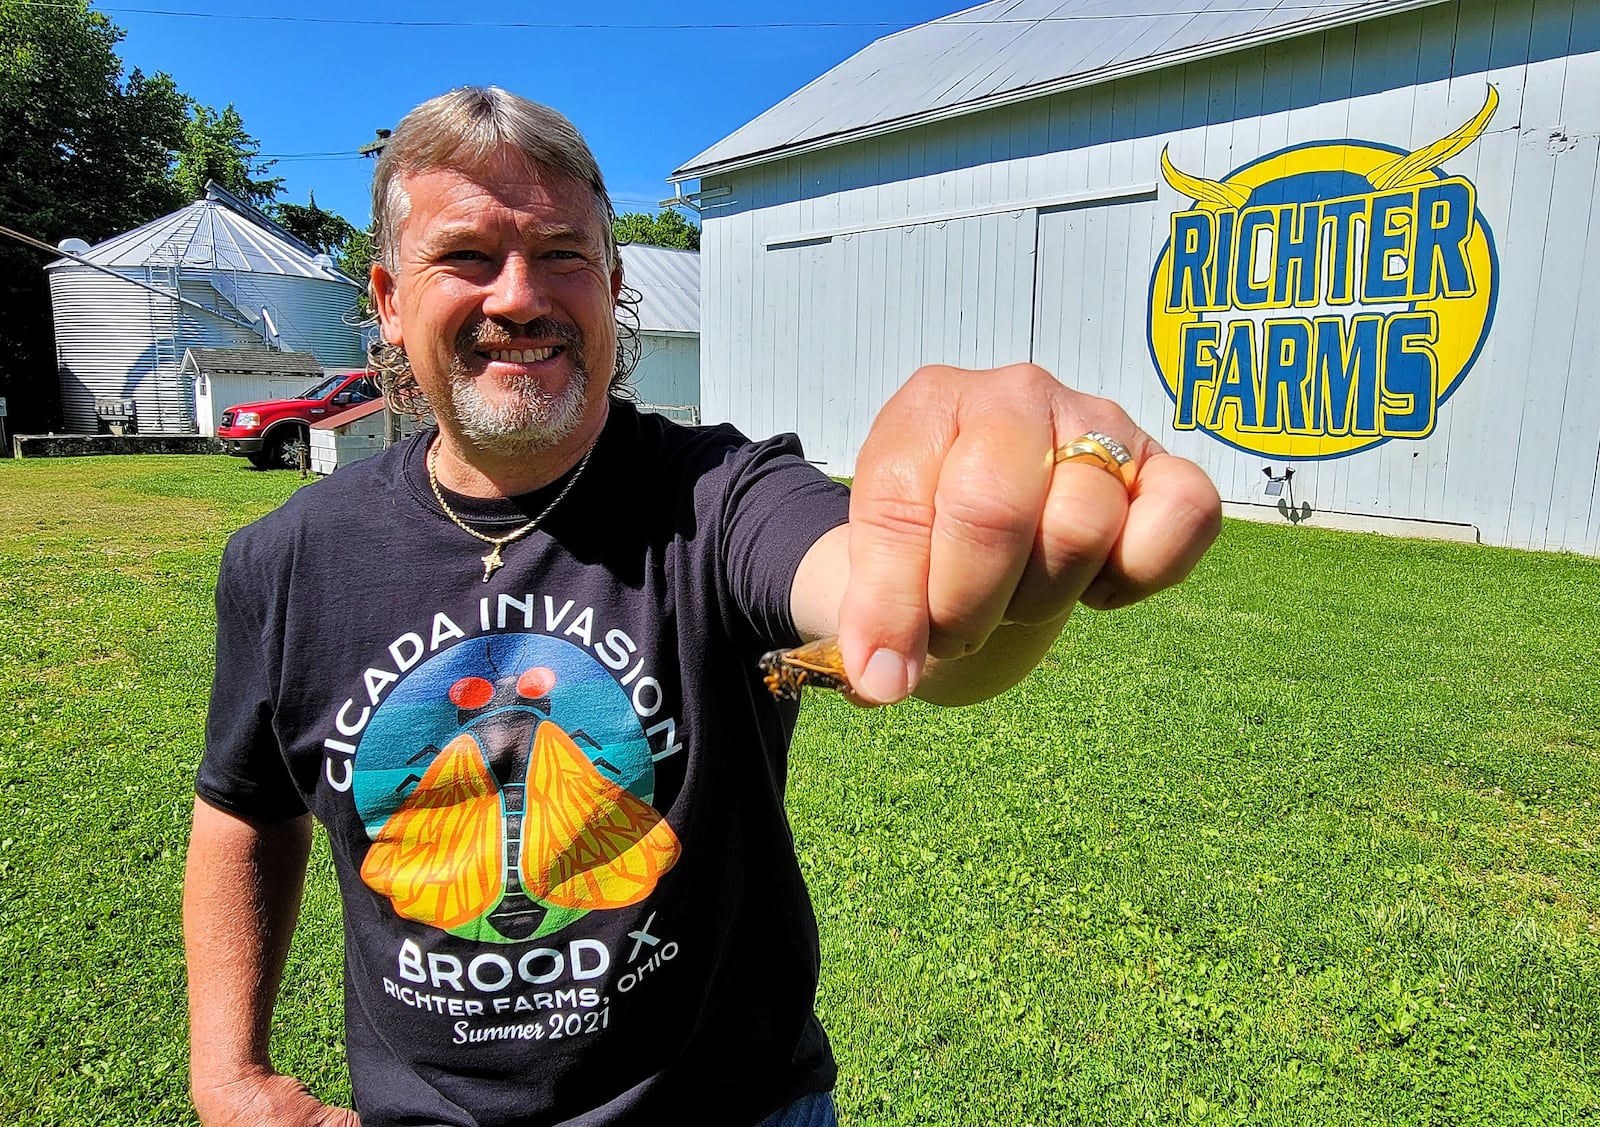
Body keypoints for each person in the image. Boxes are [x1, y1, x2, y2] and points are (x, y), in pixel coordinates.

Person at [183, 86, 1221, 1127]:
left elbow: (890, 608)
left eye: (562, 253)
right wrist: (228, 1070)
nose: (518, 295)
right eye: (465, 257)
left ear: (614, 285)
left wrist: (991, 565)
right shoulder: (288, 558)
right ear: (388, 299)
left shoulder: (720, 496)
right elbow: (243, 803)